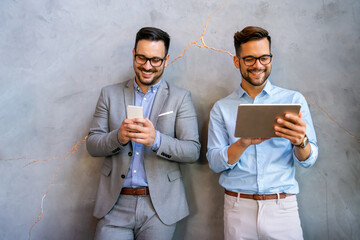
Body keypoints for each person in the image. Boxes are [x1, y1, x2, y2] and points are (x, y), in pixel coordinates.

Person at [86, 27, 200, 240]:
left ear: (166, 60)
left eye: (155, 60)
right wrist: (117, 137)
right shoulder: (109, 94)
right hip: (114, 204)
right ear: (133, 55)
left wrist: (156, 140)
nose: (147, 66)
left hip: (159, 208)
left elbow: (192, 151)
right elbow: (92, 144)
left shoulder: (181, 98)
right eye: (142, 58)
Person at [206, 26, 318, 240]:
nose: (258, 65)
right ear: (237, 61)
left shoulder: (294, 101)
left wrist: (301, 142)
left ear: (271, 58)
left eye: (264, 58)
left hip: (282, 208)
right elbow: (214, 162)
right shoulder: (222, 107)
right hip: (238, 208)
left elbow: (309, 160)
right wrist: (244, 142)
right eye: (249, 59)